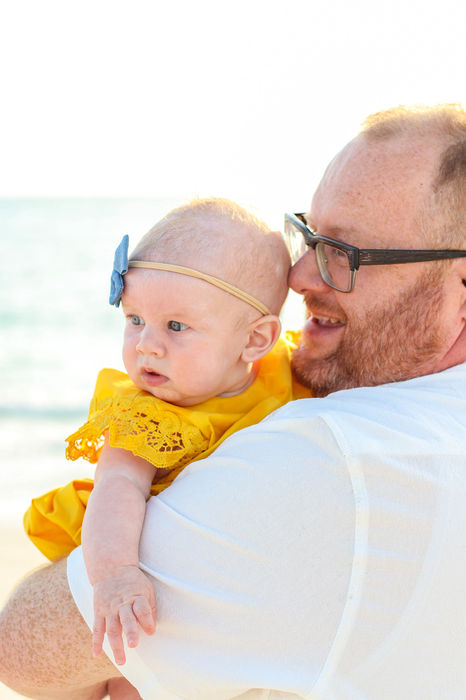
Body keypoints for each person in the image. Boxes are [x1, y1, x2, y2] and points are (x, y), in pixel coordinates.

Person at [1, 102, 466, 700]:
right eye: (309, 235)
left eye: (345, 253)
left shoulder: (330, 460)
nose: (298, 276)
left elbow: (22, 651)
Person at [23, 197, 305, 667]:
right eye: (134, 319)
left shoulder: (288, 369)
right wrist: (115, 576)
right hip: (117, 543)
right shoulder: (146, 415)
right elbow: (118, 485)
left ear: (256, 339)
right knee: (130, 664)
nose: (147, 345)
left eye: (176, 326)